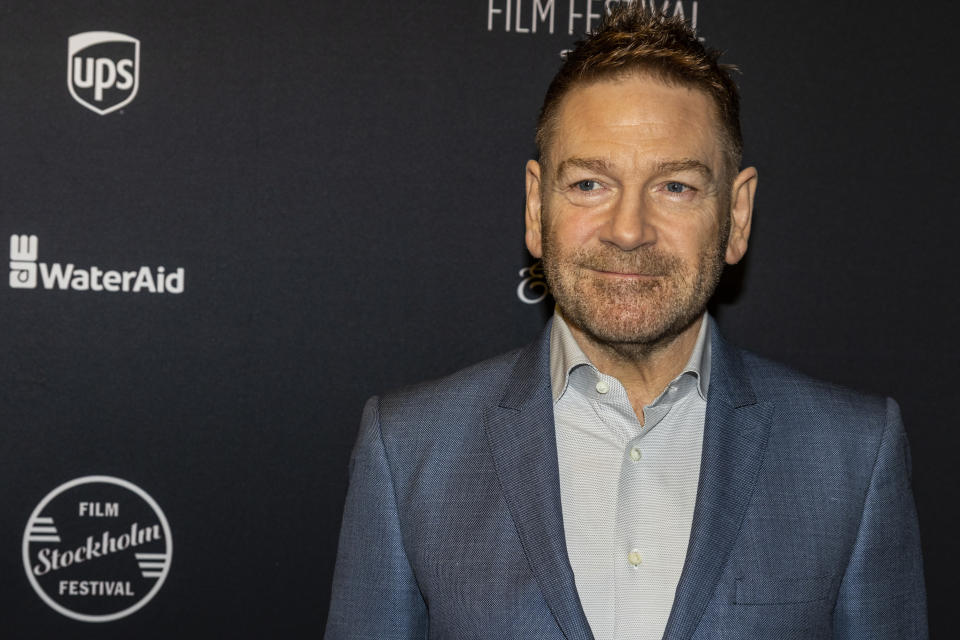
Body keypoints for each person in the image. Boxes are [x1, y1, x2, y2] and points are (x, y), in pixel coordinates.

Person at [324, 5, 927, 639]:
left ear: (738, 215)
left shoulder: (852, 456)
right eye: (589, 183)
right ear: (536, 206)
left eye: (675, 187)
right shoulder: (410, 450)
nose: (629, 231)